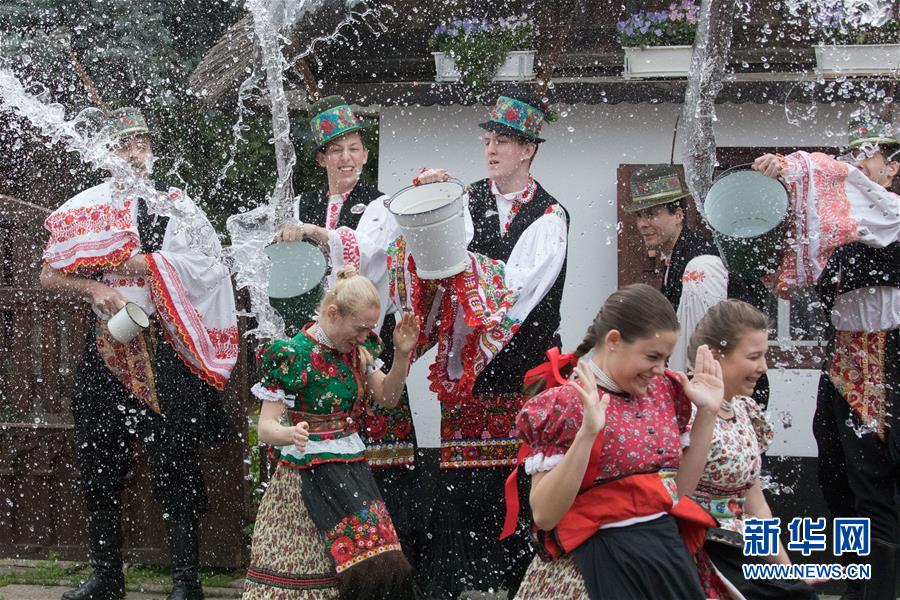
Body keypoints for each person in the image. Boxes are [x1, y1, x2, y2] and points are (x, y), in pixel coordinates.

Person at [305, 91, 570, 598]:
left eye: (504, 141)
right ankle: (460, 586)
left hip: (522, 374)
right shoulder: (463, 200)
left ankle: (522, 587)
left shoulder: (549, 215)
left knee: (521, 486)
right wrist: (423, 212)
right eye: (489, 139)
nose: (491, 149)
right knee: (463, 489)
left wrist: (452, 261)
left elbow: (514, 293)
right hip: (467, 378)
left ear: (528, 150)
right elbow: (426, 265)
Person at [40, 108, 239, 600]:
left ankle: (186, 582)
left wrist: (146, 263)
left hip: (166, 350)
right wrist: (92, 289)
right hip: (105, 350)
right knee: (97, 462)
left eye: (140, 143)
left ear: (151, 150)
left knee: (176, 462)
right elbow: (47, 275)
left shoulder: (175, 205)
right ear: (106, 155)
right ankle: (108, 578)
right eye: (122, 145)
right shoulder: (85, 209)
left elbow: (211, 266)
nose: (133, 153)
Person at [272, 95, 421, 568]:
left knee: (381, 466)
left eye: (354, 148)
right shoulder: (298, 202)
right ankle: (313, 567)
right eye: (336, 150)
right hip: (310, 344)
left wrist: (314, 233)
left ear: (365, 153)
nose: (347, 158)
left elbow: (366, 251)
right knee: (305, 461)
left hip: (359, 340)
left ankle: (386, 569)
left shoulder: (379, 205)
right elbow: (282, 271)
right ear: (321, 158)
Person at [755, 120, 900, 600]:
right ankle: (856, 580)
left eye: (869, 157)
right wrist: (779, 181)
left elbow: (840, 185)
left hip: (888, 359)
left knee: (875, 477)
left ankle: (880, 589)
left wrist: (798, 168)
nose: (857, 166)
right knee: (836, 472)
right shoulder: (838, 231)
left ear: (893, 168)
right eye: (852, 156)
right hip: (844, 358)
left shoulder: (889, 214)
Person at [511, 283, 722, 600]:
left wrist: (707, 413)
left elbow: (680, 491)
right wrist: (587, 435)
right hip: (595, 560)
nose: (660, 369)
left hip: (661, 555)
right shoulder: (566, 404)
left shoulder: (665, 391)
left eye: (665, 358)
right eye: (652, 356)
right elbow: (544, 515)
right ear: (613, 341)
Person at [243, 266, 420, 600]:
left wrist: (402, 354)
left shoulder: (358, 351)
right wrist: (290, 434)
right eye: (360, 327)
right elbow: (266, 429)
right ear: (333, 313)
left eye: (370, 328)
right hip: (300, 479)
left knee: (375, 566)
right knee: (300, 566)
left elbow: (388, 397)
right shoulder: (290, 355)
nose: (365, 335)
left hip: (350, 474)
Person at [685, 300, 818, 599]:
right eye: (754, 356)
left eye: (765, 356)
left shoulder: (745, 410)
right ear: (716, 356)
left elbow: (755, 507)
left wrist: (788, 574)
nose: (764, 367)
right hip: (699, 551)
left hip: (739, 551)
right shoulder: (685, 412)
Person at [624, 165, 770, 405]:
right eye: (639, 215)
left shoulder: (700, 265)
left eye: (652, 214)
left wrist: (685, 400)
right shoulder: (680, 257)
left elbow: (700, 344)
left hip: (726, 396)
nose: (642, 224)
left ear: (679, 215)